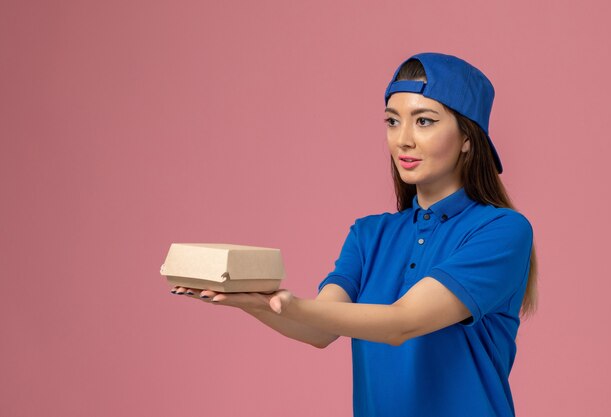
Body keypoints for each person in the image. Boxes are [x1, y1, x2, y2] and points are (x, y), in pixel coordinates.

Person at [171, 52, 538, 417]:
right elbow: (320, 328)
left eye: (424, 121)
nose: (403, 140)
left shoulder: (502, 231)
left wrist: (290, 303)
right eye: (392, 122)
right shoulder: (369, 234)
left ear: (467, 138)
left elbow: (402, 322)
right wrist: (250, 301)